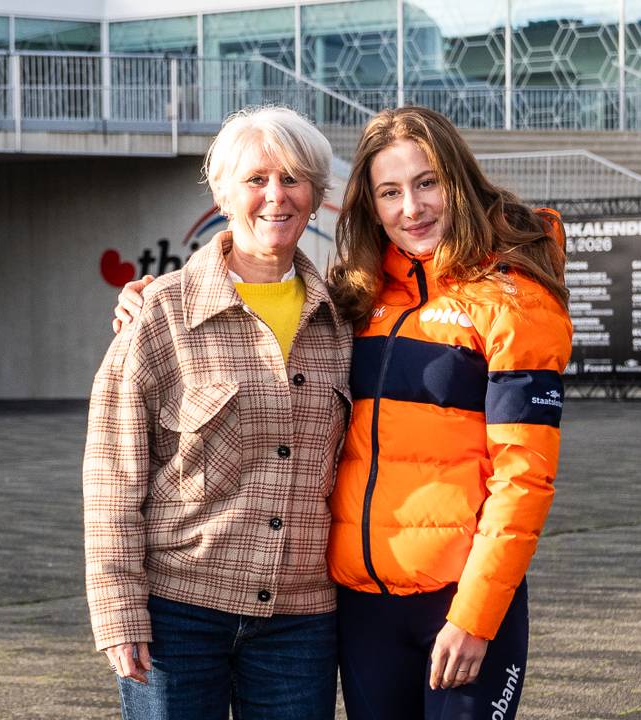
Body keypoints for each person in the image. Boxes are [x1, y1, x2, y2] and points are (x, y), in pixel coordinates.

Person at [113, 106, 573, 720]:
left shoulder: (514, 299)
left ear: (458, 181)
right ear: (369, 205)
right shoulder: (357, 298)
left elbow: (525, 478)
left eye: (427, 182)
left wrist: (475, 616)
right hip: (358, 609)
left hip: (457, 603)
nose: (411, 208)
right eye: (390, 192)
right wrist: (151, 294)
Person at [83, 105, 352, 720]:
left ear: (315, 195)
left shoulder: (344, 320)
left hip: (300, 624)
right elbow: (111, 477)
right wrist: (117, 609)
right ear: (223, 193)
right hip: (178, 615)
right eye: (257, 179)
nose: (276, 196)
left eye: (293, 179)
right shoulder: (162, 315)